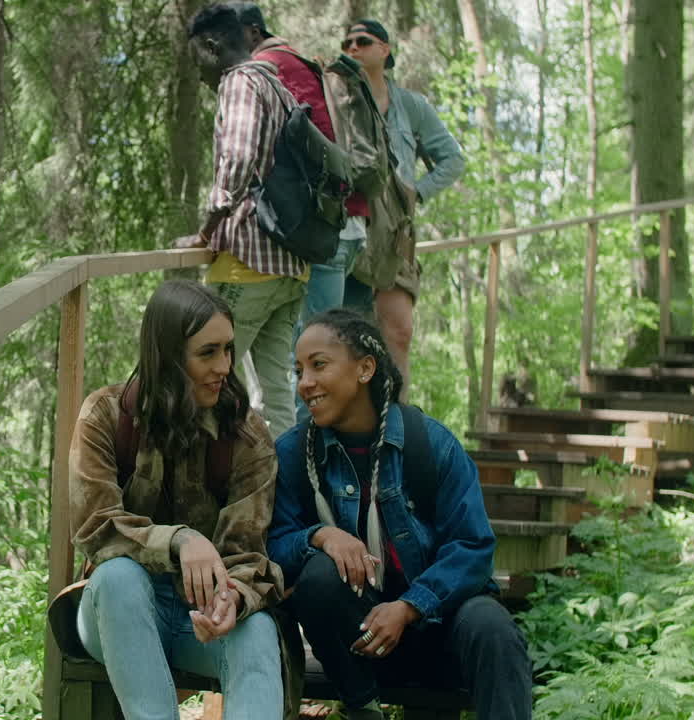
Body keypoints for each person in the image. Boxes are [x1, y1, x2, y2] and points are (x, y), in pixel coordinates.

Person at [266, 309, 532, 720]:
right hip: (360, 646)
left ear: (365, 369)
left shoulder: (430, 445)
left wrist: (410, 606)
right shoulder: (294, 454)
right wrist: (320, 536)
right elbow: (273, 546)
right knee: (317, 576)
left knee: (492, 624)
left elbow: (473, 547)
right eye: (299, 370)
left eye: (319, 365)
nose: (305, 383)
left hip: (438, 629)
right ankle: (363, 708)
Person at [71, 279, 285, 720]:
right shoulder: (104, 416)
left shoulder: (247, 435)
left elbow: (248, 551)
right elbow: (96, 526)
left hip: (202, 623)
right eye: (208, 352)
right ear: (167, 355)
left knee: (259, 629)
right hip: (116, 615)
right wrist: (179, 540)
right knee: (117, 578)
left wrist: (235, 599)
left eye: (228, 349)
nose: (224, 365)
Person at [179, 3, 307, 437]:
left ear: (212, 46)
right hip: (290, 265)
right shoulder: (280, 88)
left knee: (199, 379)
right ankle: (284, 492)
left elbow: (237, 156)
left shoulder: (240, 82)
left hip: (249, 262)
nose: (197, 74)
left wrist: (208, 227)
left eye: (196, 57)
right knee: (277, 394)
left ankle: (201, 492)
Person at [341, 19, 465, 389]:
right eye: (346, 43)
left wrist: (416, 193)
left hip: (395, 233)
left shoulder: (411, 106)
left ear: (385, 49)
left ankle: (396, 426)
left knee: (399, 332)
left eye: (363, 41)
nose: (353, 48)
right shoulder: (339, 99)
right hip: (351, 227)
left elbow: (452, 159)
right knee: (346, 336)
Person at [232, 2, 371, 319]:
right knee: (332, 346)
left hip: (324, 228)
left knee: (314, 355)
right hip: (350, 223)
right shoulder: (300, 62)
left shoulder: (267, 67)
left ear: (253, 32)